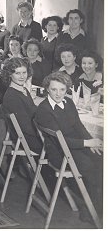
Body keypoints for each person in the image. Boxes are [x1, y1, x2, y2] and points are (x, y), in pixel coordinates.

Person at [35, 72, 103, 219]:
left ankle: (94, 204)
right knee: (89, 166)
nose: (58, 94)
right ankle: (93, 209)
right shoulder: (43, 110)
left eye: (62, 90)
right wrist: (86, 143)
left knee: (101, 158)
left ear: (67, 90)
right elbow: (60, 140)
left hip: (74, 146)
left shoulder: (69, 102)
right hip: (59, 153)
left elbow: (78, 126)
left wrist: (91, 142)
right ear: (47, 88)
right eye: (54, 89)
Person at [0, 57, 42, 153]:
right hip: (29, 139)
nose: (22, 77)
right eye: (17, 73)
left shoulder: (23, 90)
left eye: (24, 72)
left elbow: (34, 112)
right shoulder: (12, 96)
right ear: (10, 74)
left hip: (31, 135)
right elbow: (25, 125)